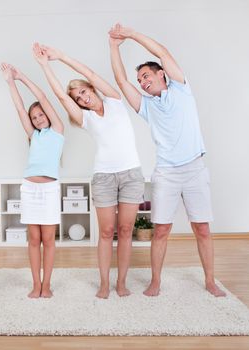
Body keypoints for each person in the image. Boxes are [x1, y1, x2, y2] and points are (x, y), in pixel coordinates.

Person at [109, 23, 226, 297]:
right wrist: (114, 46)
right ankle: (155, 282)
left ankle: (210, 281)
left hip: (195, 169)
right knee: (161, 230)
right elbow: (121, 81)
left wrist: (131, 34)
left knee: (202, 229)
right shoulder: (146, 107)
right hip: (166, 173)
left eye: (146, 75)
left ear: (162, 74)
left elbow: (162, 51)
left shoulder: (181, 89)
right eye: (140, 80)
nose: (142, 81)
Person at [34, 42, 144, 299]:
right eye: (79, 98)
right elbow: (61, 97)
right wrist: (45, 66)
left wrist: (61, 55)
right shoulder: (86, 119)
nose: (83, 98)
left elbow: (92, 74)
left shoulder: (115, 100)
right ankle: (105, 283)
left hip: (131, 174)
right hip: (104, 177)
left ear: (91, 89)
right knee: (106, 232)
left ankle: (122, 282)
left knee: (126, 231)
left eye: (84, 92)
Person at [0, 48, 64, 298]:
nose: (37, 119)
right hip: (29, 189)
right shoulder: (33, 135)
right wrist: (9, 83)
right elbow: (19, 109)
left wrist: (21, 76)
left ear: (47, 115)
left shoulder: (57, 129)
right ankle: (35, 284)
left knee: (48, 240)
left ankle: (46, 284)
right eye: (34, 117)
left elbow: (43, 96)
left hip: (48, 190)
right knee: (33, 240)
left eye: (40, 115)